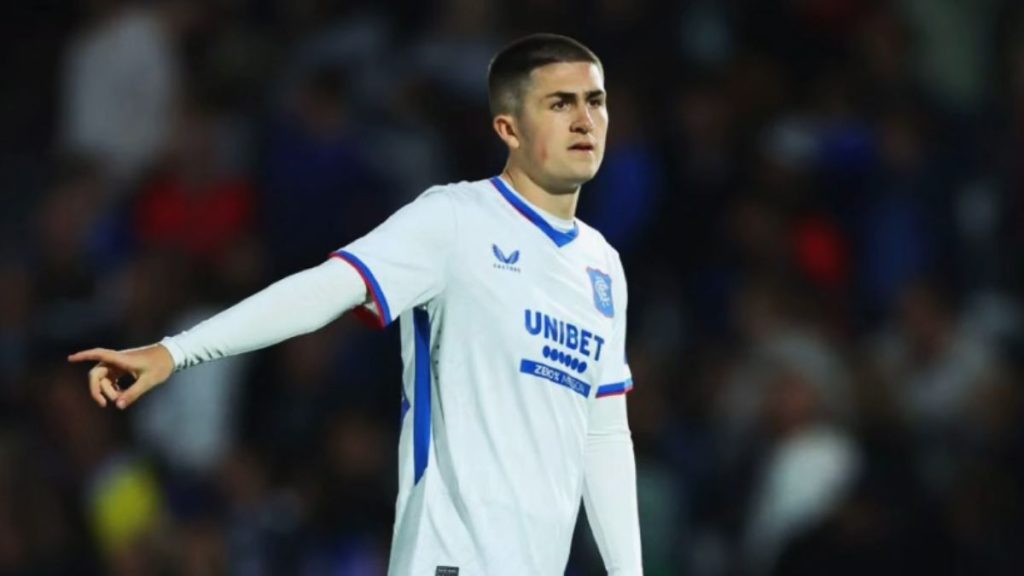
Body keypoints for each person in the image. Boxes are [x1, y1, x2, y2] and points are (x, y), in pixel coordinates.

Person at [69, 33, 643, 575]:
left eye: (595, 101)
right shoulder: (456, 219)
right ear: (508, 128)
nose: (585, 120)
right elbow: (324, 290)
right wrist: (176, 352)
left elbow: (603, 434)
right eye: (560, 103)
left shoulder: (602, 267)